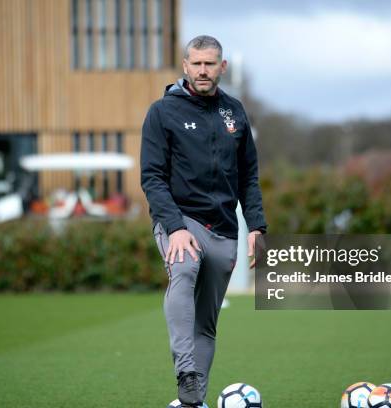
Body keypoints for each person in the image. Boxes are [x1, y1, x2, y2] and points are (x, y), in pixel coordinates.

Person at [140, 35, 267, 407]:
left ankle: (192, 402)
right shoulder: (162, 112)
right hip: (179, 218)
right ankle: (186, 371)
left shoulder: (235, 112)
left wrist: (257, 226)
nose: (202, 70)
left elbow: (249, 175)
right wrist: (175, 227)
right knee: (183, 267)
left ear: (221, 68)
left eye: (210, 64)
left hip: (224, 228)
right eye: (196, 63)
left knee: (206, 323)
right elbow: (151, 176)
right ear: (184, 65)